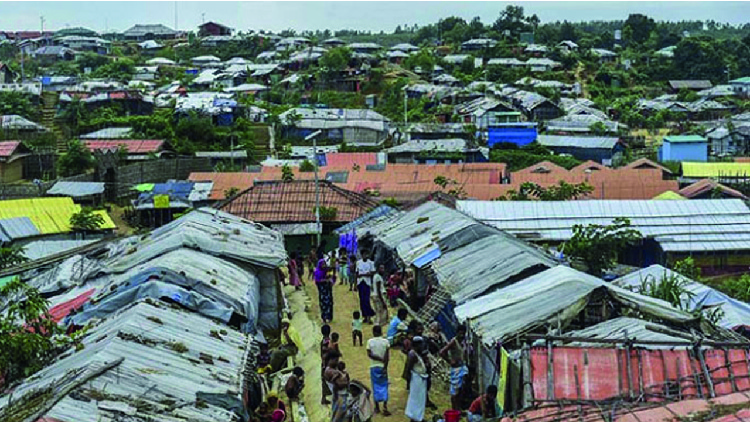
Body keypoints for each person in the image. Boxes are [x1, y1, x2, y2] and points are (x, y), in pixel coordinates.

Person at [440, 326, 469, 411]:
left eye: (463, 333)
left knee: (460, 390)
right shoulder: (454, 341)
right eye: (460, 333)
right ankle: (454, 409)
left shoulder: (463, 342)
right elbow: (442, 352)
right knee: (455, 391)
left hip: (461, 367)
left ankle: (458, 408)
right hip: (456, 369)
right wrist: (449, 361)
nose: (462, 335)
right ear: (457, 333)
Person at [404, 337, 431, 422]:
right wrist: (409, 382)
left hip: (420, 378)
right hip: (417, 379)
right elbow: (408, 369)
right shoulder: (412, 354)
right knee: (416, 399)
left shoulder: (417, 353)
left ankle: (418, 417)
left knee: (420, 399)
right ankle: (415, 418)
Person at [367, 325, 391, 416]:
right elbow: (387, 356)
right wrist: (385, 366)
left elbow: (370, 354)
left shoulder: (370, 342)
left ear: (373, 332)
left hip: (374, 366)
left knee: (375, 386)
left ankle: (377, 407)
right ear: (381, 332)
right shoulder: (386, 342)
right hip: (383, 367)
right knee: (384, 385)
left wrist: (378, 358)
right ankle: (385, 406)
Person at [324, 352, 351, 422]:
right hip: (339, 395)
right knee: (339, 415)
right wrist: (348, 383)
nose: (337, 362)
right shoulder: (331, 371)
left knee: (337, 413)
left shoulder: (331, 370)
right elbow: (339, 384)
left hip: (337, 395)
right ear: (330, 360)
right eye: (336, 360)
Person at [356, 251, 376, 323]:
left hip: (367, 283)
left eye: (366, 254)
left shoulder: (371, 263)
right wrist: (355, 284)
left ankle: (369, 316)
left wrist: (366, 274)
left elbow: (373, 272)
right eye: (363, 254)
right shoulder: (358, 263)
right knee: (362, 300)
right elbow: (357, 273)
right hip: (360, 283)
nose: (364, 255)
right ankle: (364, 316)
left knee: (366, 300)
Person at [314, 257, 334, 323]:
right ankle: (324, 317)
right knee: (323, 304)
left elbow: (333, 278)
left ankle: (330, 317)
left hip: (328, 290)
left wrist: (331, 281)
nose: (324, 265)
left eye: (324, 264)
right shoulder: (317, 272)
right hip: (322, 291)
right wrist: (325, 280)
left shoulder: (327, 271)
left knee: (330, 303)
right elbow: (317, 281)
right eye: (322, 264)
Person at [320, 324, 332, 405]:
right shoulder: (327, 341)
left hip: (325, 363)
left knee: (324, 381)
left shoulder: (323, 340)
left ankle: (324, 398)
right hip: (327, 363)